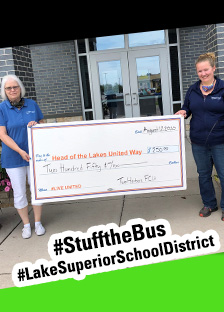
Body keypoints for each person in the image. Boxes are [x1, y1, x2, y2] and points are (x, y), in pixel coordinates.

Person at [175, 52, 224, 222]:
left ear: (213, 69)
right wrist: (183, 112)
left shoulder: (222, 88)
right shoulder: (193, 89)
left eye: (206, 70)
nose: (203, 74)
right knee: (203, 174)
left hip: (220, 141)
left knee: (223, 174)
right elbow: (187, 108)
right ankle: (209, 204)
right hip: (198, 142)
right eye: (200, 71)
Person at [0, 74, 45, 238]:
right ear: (5, 91)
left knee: (37, 190)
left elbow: (42, 125)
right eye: (9, 88)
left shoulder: (32, 104)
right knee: (19, 193)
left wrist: (36, 125)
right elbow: (2, 135)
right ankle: (26, 225)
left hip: (35, 156)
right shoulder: (2, 108)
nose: (12, 90)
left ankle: (38, 222)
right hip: (13, 158)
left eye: (15, 87)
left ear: (20, 88)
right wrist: (19, 151)